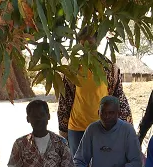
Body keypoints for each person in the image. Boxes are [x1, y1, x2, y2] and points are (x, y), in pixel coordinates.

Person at [57, 27, 133, 157]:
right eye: (83, 45)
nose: (87, 48)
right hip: (77, 128)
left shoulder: (110, 69)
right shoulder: (72, 70)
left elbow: (119, 98)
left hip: (104, 127)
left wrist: (127, 129)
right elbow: (65, 101)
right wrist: (63, 130)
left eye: (90, 44)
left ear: (97, 43)